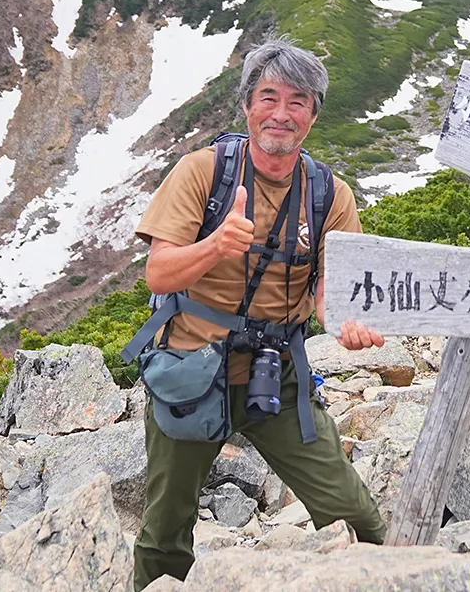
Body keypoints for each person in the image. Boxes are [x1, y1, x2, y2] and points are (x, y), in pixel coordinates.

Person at [128, 39, 388, 588]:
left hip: (278, 374)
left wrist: (341, 320)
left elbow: (329, 285)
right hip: (193, 369)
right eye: (268, 97)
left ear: (313, 116)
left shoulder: (328, 194)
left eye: (298, 101)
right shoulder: (203, 172)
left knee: (357, 518)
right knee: (165, 534)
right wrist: (214, 247)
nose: (281, 113)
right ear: (247, 105)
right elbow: (159, 274)